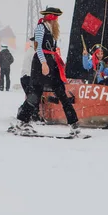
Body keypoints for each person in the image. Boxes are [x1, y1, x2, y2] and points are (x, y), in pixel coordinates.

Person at [14, 7, 80, 135]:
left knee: (61, 92)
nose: (57, 22)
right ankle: (22, 121)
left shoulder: (51, 31)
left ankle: (73, 123)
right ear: (52, 18)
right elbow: (38, 48)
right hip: (41, 62)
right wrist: (44, 63)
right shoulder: (40, 28)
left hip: (51, 61)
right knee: (35, 93)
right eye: (56, 19)